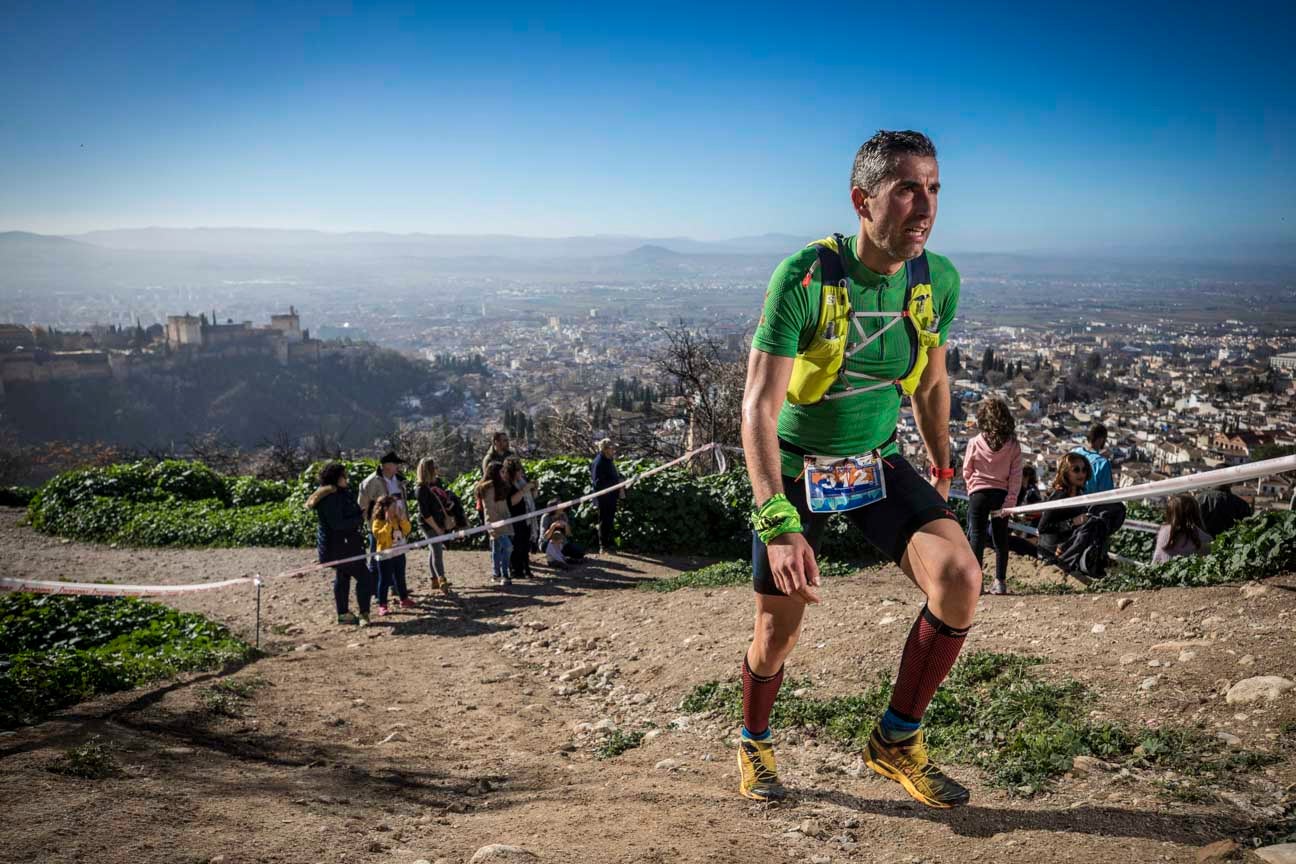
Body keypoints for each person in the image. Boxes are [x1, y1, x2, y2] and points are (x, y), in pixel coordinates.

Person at [738, 131, 980, 808]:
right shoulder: (806, 277)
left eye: (933, 188)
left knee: (959, 578)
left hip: (874, 461)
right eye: (907, 188)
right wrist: (776, 518)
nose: (924, 205)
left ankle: (897, 738)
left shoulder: (937, 279)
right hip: (793, 468)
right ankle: (754, 740)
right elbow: (758, 408)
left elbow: (931, 383)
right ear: (862, 200)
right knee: (775, 635)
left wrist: (939, 459)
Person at [962, 398, 1022, 596]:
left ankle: (975, 583)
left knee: (976, 536)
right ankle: (1000, 582)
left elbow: (966, 470)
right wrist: (1010, 500)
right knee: (1000, 539)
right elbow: (1015, 476)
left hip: (978, 494)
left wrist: (972, 487)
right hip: (1000, 496)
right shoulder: (1013, 446)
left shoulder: (974, 442)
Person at [304, 462, 372, 626]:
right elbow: (337, 524)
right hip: (341, 546)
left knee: (343, 577)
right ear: (336, 478)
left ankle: (343, 614)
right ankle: (364, 614)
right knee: (365, 577)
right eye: (344, 475)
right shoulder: (330, 498)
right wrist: (359, 518)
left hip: (344, 545)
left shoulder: (340, 493)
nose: (346, 478)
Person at [1037, 454, 1107, 584]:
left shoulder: (1079, 494)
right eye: (1076, 470)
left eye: (1084, 469)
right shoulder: (1059, 496)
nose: (1081, 473)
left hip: (1069, 546)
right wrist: (1072, 522)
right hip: (1052, 551)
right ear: (1065, 473)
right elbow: (1043, 528)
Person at [357, 451, 407, 596]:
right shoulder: (370, 482)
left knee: (398, 557)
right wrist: (372, 524)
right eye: (394, 464)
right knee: (377, 559)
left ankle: (396, 588)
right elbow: (363, 505)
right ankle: (376, 591)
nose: (397, 466)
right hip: (379, 527)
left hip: (397, 524)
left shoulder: (399, 480)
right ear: (386, 466)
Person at [1072, 424, 1126, 535]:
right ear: (1101, 439)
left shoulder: (1073, 453)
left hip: (1068, 507)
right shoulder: (1102, 463)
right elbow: (1107, 495)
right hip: (1088, 515)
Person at [477, 463, 521, 586]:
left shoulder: (501, 487)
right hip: (495, 522)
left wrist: (507, 519)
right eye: (502, 472)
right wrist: (497, 523)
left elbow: (503, 506)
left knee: (496, 548)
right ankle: (504, 574)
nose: (504, 474)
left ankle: (496, 573)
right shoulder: (488, 489)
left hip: (504, 521)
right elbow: (490, 509)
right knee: (508, 547)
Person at [414, 457, 452, 593]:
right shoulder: (421, 489)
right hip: (428, 524)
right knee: (437, 550)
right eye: (434, 467)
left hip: (437, 521)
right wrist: (437, 528)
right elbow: (426, 514)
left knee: (433, 549)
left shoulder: (435, 484)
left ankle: (434, 579)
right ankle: (442, 579)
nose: (437, 470)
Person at [371, 495, 414, 614]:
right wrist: (388, 523)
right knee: (384, 580)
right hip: (385, 556)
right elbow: (381, 537)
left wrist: (402, 519)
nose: (396, 508)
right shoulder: (377, 522)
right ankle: (382, 604)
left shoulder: (397, 518)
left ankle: (404, 599)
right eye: (393, 506)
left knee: (400, 577)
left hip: (399, 553)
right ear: (385, 508)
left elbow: (407, 530)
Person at [503, 456, 537, 580]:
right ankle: (516, 570)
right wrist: (524, 490)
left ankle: (526, 568)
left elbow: (532, 497)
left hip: (527, 518)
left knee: (525, 546)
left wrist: (534, 488)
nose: (520, 472)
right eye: (517, 470)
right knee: (516, 547)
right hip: (514, 518)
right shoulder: (507, 485)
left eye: (520, 469)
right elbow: (511, 502)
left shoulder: (523, 481)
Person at [1153, 494, 1212, 563]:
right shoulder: (1204, 538)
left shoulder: (1164, 532)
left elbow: (1156, 560)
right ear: (1195, 512)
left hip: (1163, 572)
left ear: (1170, 513)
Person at [590, 438, 624, 553]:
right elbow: (598, 483)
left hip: (611, 497)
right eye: (611, 448)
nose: (614, 450)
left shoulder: (608, 460)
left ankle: (609, 543)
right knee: (604, 521)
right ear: (605, 449)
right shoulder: (599, 462)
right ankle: (603, 546)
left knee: (609, 521)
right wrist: (615, 482)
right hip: (603, 498)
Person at [1007, 465, 1043, 557]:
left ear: (1026, 476)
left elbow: (1036, 510)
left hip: (1029, 522)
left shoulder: (1031, 491)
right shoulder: (1026, 490)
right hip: (1023, 522)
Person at [540, 500, 585, 565]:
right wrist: (553, 526)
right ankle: (556, 559)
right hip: (547, 544)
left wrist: (566, 525)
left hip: (562, 543)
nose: (563, 506)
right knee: (551, 546)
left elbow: (569, 534)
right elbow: (545, 537)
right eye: (560, 504)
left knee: (579, 553)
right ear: (554, 508)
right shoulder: (546, 517)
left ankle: (561, 557)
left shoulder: (563, 515)